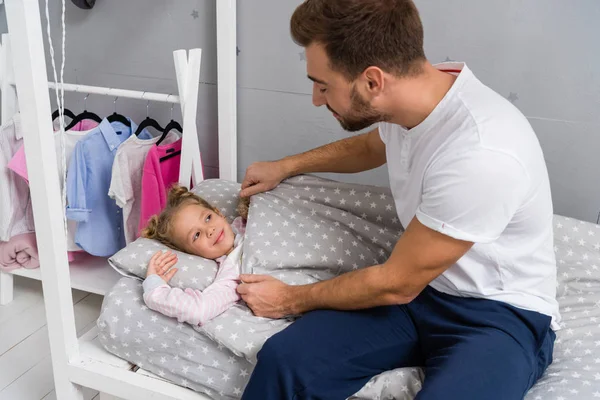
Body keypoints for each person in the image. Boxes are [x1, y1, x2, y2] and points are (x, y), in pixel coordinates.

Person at [236, 1, 560, 399]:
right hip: (423, 294)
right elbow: (375, 145)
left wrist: (289, 299)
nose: (316, 99)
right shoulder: (418, 96)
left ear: (373, 82)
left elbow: (395, 284)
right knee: (286, 361)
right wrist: (286, 166)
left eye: (323, 84)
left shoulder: (482, 153)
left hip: (498, 313)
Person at [140, 185, 248, 326]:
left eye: (208, 218)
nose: (209, 230)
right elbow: (199, 310)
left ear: (218, 213)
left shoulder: (250, 219)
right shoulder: (232, 269)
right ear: (191, 253)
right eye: (196, 235)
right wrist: (154, 289)